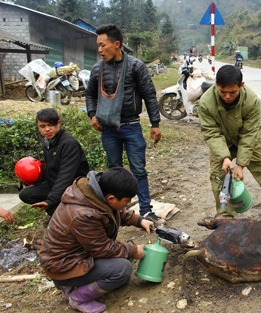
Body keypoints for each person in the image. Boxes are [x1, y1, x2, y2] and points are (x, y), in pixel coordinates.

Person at [39, 167, 154, 313]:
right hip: (63, 266)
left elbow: (115, 210)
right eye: (126, 201)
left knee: (119, 266)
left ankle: (73, 284)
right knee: (122, 269)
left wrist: (139, 221)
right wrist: (133, 251)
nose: (128, 203)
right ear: (111, 198)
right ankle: (78, 297)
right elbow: (103, 249)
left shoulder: (95, 194)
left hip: (74, 255)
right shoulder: (83, 214)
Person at [85, 24, 163, 225]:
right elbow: (90, 95)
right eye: (98, 46)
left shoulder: (136, 66)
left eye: (103, 45)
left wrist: (155, 123)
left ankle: (145, 210)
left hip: (131, 126)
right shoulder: (97, 69)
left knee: (139, 170)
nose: (100, 50)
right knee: (114, 170)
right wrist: (92, 115)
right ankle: (118, 212)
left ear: (116, 44)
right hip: (109, 129)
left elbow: (149, 95)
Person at [198, 65, 261, 218]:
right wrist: (224, 157)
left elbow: (250, 133)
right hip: (221, 141)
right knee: (219, 175)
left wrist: (241, 165)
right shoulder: (206, 102)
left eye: (232, 92)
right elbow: (211, 133)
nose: (227, 96)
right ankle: (225, 214)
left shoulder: (251, 99)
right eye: (223, 92)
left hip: (246, 138)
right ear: (216, 84)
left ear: (241, 86)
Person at [18, 108, 89, 218]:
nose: (47, 129)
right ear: (38, 127)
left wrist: (50, 200)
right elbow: (52, 169)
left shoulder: (69, 144)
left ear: (58, 123)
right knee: (26, 194)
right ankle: (58, 214)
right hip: (55, 183)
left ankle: (64, 215)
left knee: (53, 201)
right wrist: (35, 177)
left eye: (50, 125)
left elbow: (66, 176)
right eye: (42, 126)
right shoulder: (47, 142)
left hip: (74, 186)